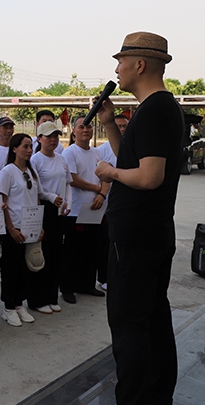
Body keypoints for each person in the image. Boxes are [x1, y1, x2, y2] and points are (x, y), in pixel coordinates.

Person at [94, 32, 184, 405]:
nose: (117, 68)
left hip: (136, 238)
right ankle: (157, 394)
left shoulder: (153, 111)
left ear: (140, 64)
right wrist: (111, 124)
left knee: (129, 324)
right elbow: (136, 161)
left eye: (121, 61)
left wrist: (109, 173)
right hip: (153, 233)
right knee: (153, 318)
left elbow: (147, 177)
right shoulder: (161, 109)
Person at [0, 133, 60, 327]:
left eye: (30, 147)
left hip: (30, 228)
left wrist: (38, 226)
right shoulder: (7, 172)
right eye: (25, 147)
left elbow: (37, 197)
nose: (29, 150)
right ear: (14, 149)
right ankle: (8, 307)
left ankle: (18, 303)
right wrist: (11, 228)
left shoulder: (31, 171)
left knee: (26, 268)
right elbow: (2, 201)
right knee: (11, 268)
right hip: (14, 229)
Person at [61, 115, 109, 303]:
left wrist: (102, 195)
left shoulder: (98, 153)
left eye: (88, 127)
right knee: (73, 251)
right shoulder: (70, 153)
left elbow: (107, 176)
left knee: (92, 249)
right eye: (81, 127)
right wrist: (96, 189)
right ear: (74, 131)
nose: (85, 130)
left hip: (95, 207)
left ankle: (87, 285)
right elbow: (72, 178)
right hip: (75, 209)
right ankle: (68, 288)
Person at [29, 121, 71, 314]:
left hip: (60, 210)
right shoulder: (36, 160)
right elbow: (37, 189)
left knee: (57, 253)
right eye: (49, 137)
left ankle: (52, 296)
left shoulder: (61, 159)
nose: (53, 140)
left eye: (56, 136)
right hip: (44, 208)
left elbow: (68, 183)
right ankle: (38, 299)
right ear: (39, 139)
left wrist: (67, 203)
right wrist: (51, 197)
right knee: (42, 253)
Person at [95, 114, 128, 291]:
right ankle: (104, 277)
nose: (122, 129)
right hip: (106, 203)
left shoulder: (131, 149)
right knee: (105, 242)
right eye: (119, 126)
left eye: (124, 126)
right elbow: (100, 175)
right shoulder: (102, 150)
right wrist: (101, 194)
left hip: (125, 203)